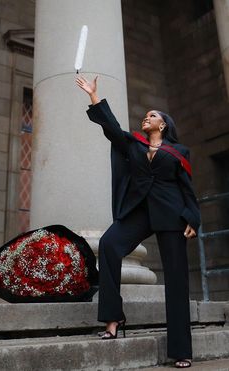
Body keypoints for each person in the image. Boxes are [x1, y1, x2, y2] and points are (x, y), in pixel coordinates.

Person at [76, 75, 200, 369]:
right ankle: (112, 318)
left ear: (164, 124)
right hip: (139, 211)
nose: (147, 118)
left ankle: (181, 350)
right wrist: (94, 97)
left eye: (152, 116)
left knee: (177, 280)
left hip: (172, 215)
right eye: (146, 115)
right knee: (109, 244)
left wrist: (193, 218)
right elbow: (112, 129)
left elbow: (187, 189)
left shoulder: (178, 152)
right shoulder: (134, 144)